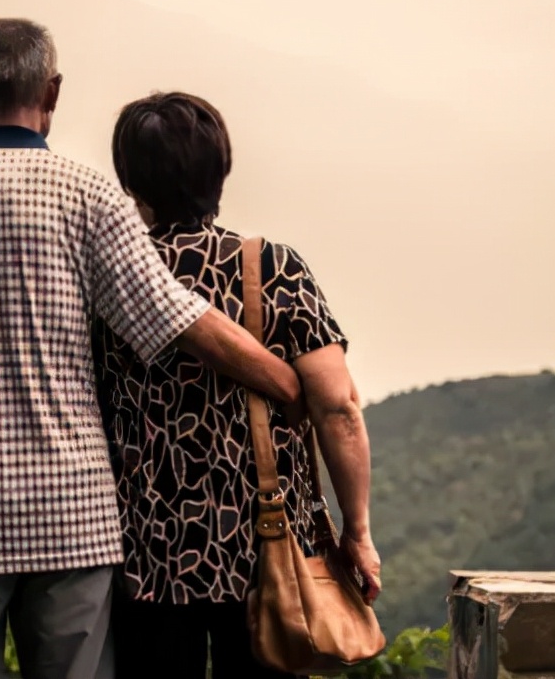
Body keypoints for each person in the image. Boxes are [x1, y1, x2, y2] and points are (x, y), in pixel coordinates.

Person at [0, 20, 302, 679]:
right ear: (52, 91)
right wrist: (288, 384)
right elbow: (181, 320)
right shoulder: (87, 196)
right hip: (72, 516)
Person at [93, 91, 381, 679]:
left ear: (130, 181)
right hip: (268, 551)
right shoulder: (273, 265)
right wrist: (357, 531)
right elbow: (338, 407)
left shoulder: (107, 278)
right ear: (220, 170)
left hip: (142, 550)